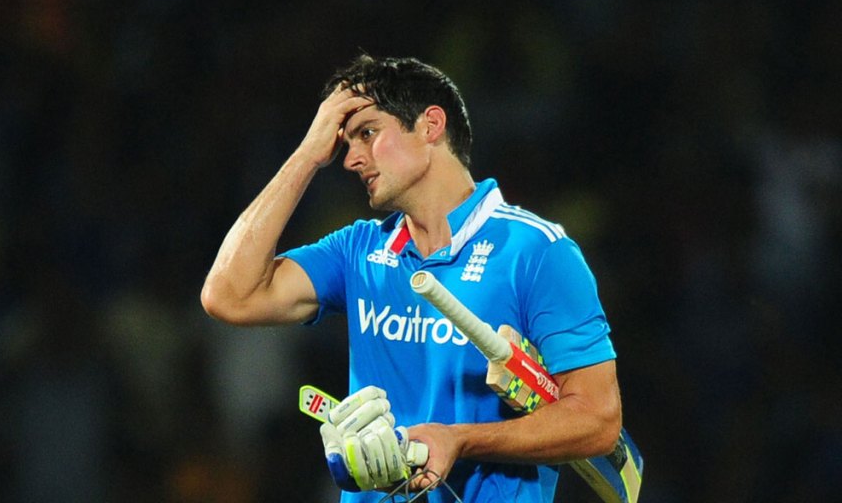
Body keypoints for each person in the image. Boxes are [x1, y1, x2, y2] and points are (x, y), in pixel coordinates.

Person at [200, 54, 623, 503]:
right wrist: (307, 155)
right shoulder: (358, 250)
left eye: (367, 133)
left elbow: (597, 419)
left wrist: (459, 440)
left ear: (430, 126)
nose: (348, 160)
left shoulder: (535, 251)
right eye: (344, 143)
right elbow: (228, 296)